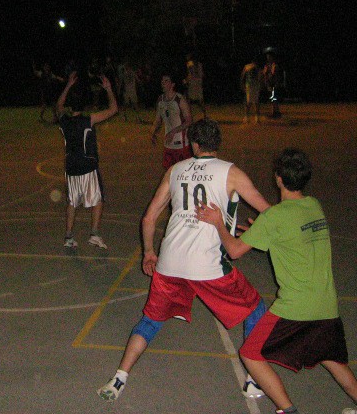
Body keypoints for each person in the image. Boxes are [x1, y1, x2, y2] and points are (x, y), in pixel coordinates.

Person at [98, 118, 270, 402]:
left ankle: (119, 378)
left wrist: (149, 252)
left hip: (170, 262)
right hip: (208, 265)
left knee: (151, 320)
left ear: (193, 144)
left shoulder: (175, 170)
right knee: (256, 309)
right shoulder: (232, 172)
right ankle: (254, 379)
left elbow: (148, 218)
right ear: (218, 143)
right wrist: (257, 232)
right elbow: (269, 212)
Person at [196, 148, 357, 414]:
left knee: (249, 353)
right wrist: (260, 233)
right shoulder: (313, 205)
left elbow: (234, 251)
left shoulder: (275, 217)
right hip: (326, 304)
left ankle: (287, 409)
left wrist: (218, 224)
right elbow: (292, 240)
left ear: (278, 179)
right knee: (333, 360)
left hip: (295, 308)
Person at [57, 71, 117, 250]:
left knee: (72, 201)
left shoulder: (64, 120)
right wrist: (109, 89)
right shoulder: (88, 119)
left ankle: (68, 237)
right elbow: (114, 109)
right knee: (98, 199)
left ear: (70, 106)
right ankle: (94, 234)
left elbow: (58, 106)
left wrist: (67, 85)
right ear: (84, 105)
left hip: (71, 167)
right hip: (87, 166)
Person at [151, 74, 193, 170]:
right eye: (162, 81)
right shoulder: (160, 100)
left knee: (183, 173)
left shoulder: (179, 99)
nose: (163, 83)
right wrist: (153, 132)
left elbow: (189, 121)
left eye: (166, 81)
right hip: (168, 144)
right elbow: (158, 120)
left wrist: (173, 131)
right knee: (169, 174)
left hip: (181, 145)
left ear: (172, 84)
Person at [240, 57, 262, 124]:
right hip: (255, 86)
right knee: (256, 102)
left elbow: (242, 76)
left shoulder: (247, 66)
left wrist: (242, 85)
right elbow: (260, 77)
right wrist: (261, 86)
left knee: (248, 102)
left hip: (249, 86)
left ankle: (247, 118)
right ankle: (257, 118)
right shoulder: (257, 67)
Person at [263, 51, 284, 119]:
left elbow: (274, 74)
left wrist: (276, 83)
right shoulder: (267, 65)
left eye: (269, 57)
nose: (268, 58)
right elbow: (265, 74)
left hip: (273, 83)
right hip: (270, 83)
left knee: (273, 98)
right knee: (273, 98)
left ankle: (275, 113)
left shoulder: (274, 65)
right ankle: (276, 112)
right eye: (267, 57)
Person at [184, 52, 205, 117]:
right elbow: (202, 74)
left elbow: (190, 73)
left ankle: (188, 114)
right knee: (200, 99)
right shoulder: (199, 64)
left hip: (193, 82)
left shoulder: (190, 63)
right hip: (199, 82)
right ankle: (204, 113)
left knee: (189, 99)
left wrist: (186, 81)